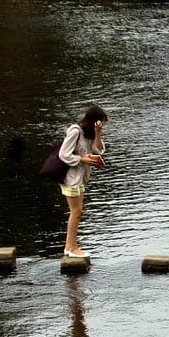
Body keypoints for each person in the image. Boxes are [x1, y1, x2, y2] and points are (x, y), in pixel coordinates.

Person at [59, 104, 107, 258]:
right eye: (100, 123)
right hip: (70, 178)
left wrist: (98, 133)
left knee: (78, 212)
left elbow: (99, 150)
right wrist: (84, 160)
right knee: (76, 212)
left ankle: (69, 247)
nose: (101, 125)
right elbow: (63, 154)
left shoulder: (89, 133)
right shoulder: (75, 131)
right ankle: (72, 248)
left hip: (80, 178)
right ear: (94, 120)